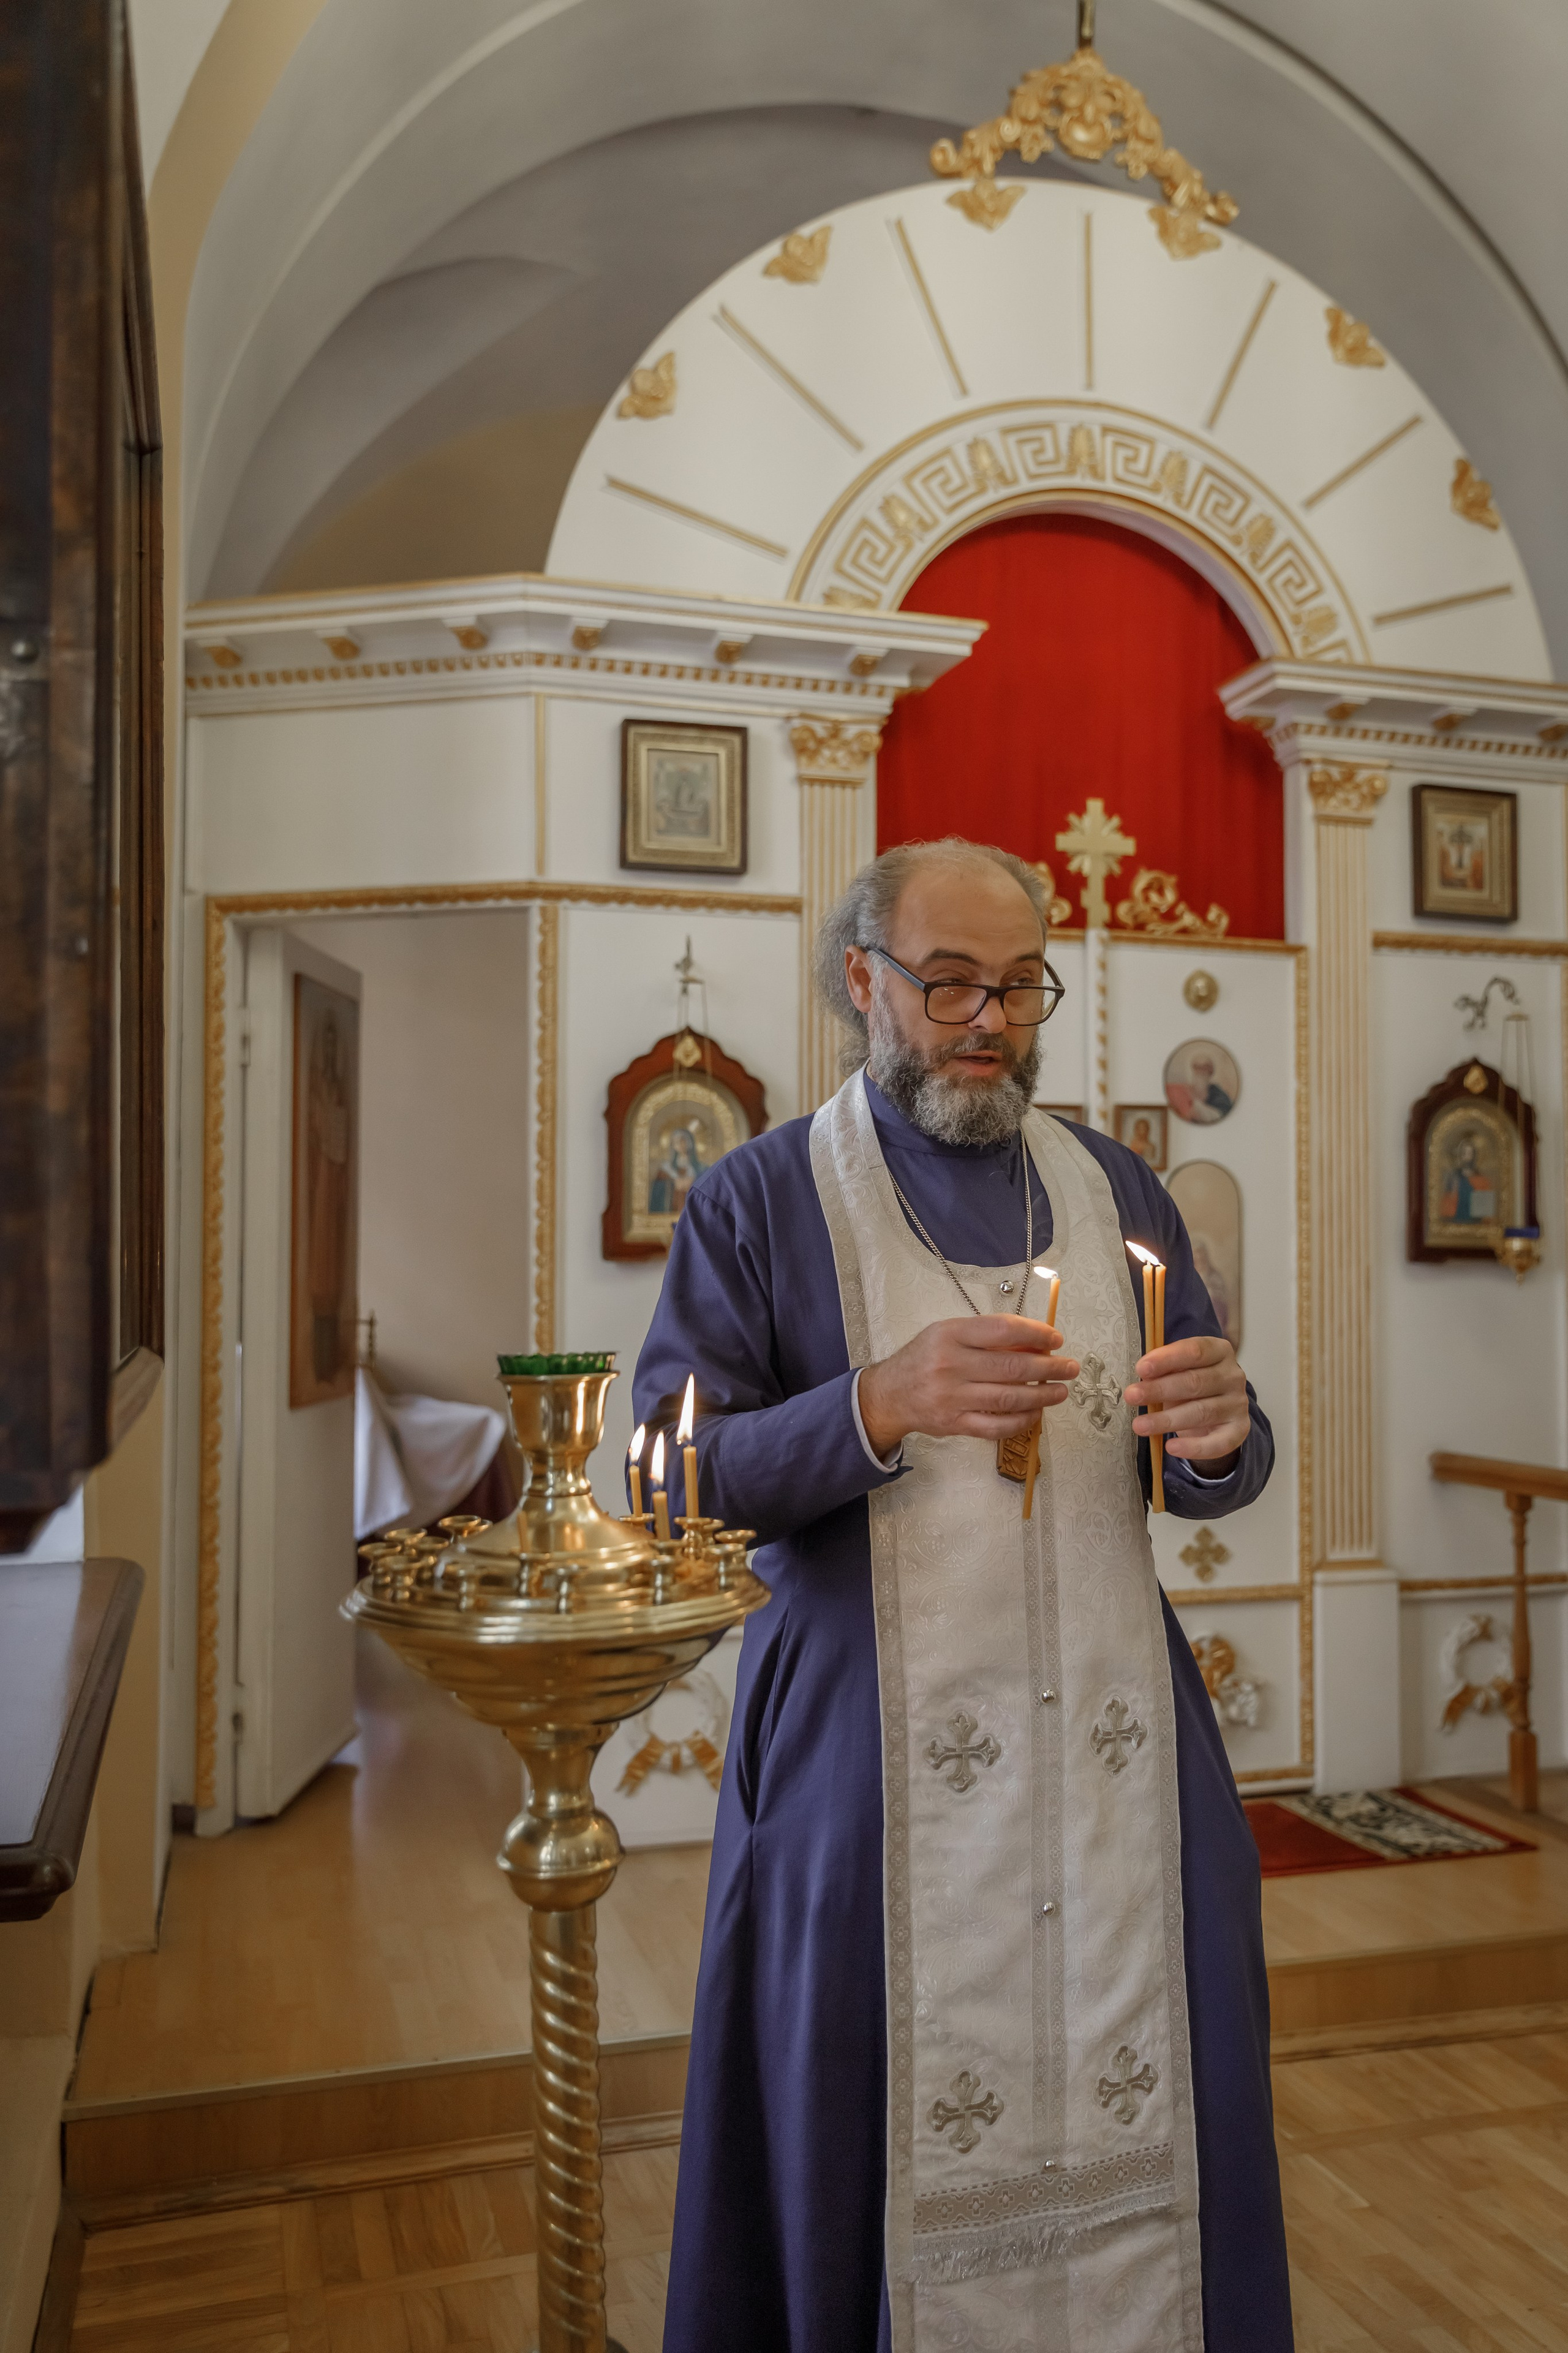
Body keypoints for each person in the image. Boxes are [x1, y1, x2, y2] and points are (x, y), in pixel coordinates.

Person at [635, 837, 1291, 2353]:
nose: (987, 1019)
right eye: (946, 984)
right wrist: (872, 1402)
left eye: (1016, 985)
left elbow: (1207, 1458)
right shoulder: (757, 1195)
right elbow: (670, 1473)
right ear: (861, 982)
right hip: (868, 1767)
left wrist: (1218, 1432)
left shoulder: (1113, 1182)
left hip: (1116, 1747)